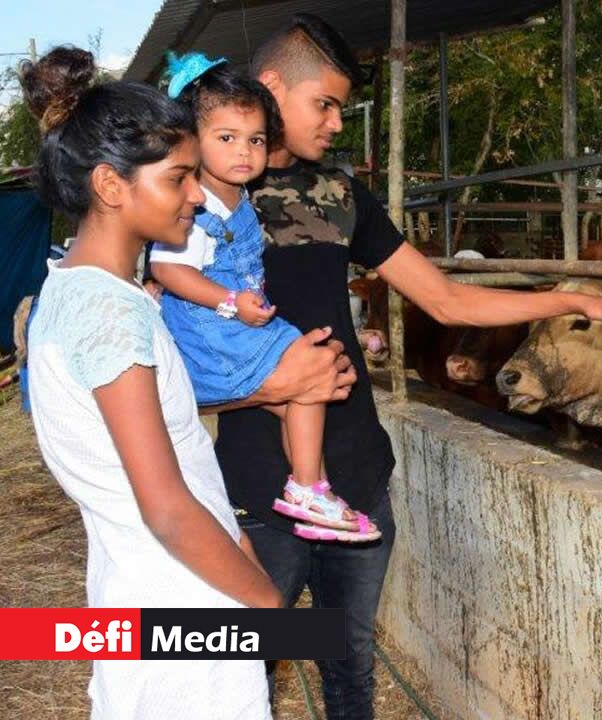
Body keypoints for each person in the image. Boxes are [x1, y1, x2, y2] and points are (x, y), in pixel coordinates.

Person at [217, 13, 602, 719]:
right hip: (258, 483)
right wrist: (259, 389)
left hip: (358, 473)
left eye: (341, 107)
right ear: (271, 87)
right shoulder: (201, 201)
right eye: (326, 104)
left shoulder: (340, 197)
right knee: (242, 670)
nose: (338, 122)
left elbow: (445, 297)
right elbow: (165, 351)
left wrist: (577, 298)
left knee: (349, 665)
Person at [21, 45, 355, 719]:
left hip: (158, 592)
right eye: (179, 179)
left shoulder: (89, 295)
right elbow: (167, 507)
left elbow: (183, 469)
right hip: (182, 613)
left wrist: (244, 559)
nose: (198, 194)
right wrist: (268, 609)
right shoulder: (108, 316)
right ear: (112, 188)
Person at [149, 52, 376, 542]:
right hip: (213, 328)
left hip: (236, 322)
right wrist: (230, 301)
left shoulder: (237, 196)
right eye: (226, 139)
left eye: (254, 140)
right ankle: (307, 486)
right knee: (311, 376)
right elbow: (167, 267)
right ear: (191, 140)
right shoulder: (197, 205)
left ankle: (308, 487)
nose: (244, 152)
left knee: (309, 386)